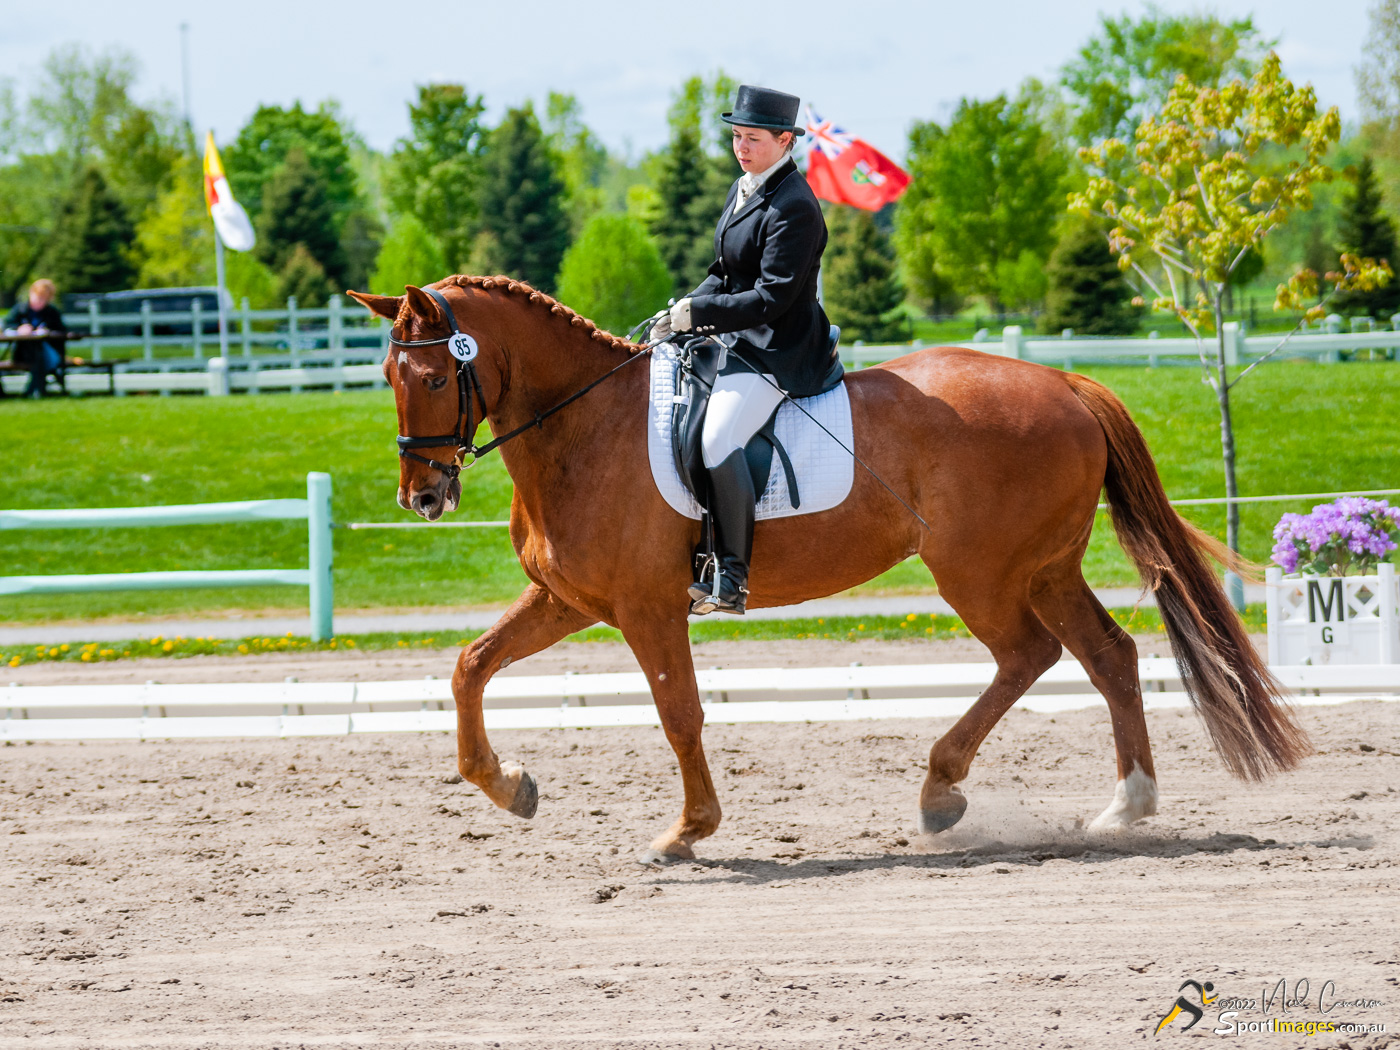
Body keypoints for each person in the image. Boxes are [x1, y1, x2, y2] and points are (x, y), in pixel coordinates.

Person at [651, 85, 842, 615]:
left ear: (784, 141)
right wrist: (683, 310)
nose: (741, 147)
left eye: (753, 139)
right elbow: (724, 272)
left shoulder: (795, 205)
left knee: (717, 438)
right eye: (737, 136)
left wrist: (701, 317)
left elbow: (772, 297)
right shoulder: (747, 188)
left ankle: (730, 575)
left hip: (780, 347)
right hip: (738, 339)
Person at [4, 279, 66, 398]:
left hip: (47, 351)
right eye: (38, 298)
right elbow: (8, 325)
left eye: (44, 299)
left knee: (40, 353)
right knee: (37, 355)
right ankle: (36, 389)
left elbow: (61, 330)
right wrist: (19, 329)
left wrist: (47, 331)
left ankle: (32, 390)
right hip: (24, 353)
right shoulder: (20, 309)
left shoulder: (52, 312)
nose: (40, 302)